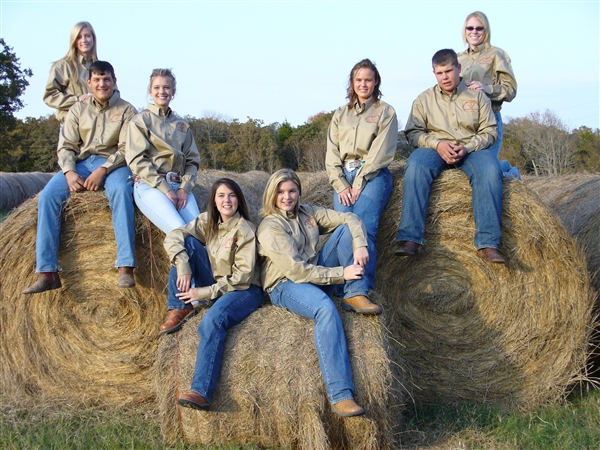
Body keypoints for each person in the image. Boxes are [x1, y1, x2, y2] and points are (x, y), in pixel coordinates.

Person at [257, 169, 381, 418]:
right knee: (325, 308)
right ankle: (341, 394)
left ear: (299, 192)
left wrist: (359, 244)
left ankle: (355, 293)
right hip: (285, 284)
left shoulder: (308, 213)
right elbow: (298, 272)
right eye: (281, 192)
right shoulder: (270, 226)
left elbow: (350, 218)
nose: (287, 196)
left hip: (314, 274)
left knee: (346, 229)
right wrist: (340, 274)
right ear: (272, 194)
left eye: (292, 191)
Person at [23, 61, 137, 294]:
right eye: (97, 79)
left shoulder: (126, 110)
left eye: (106, 79)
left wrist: (103, 169)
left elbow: (128, 148)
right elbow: (66, 146)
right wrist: (69, 171)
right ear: (89, 83)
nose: (102, 84)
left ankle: (125, 265)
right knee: (48, 197)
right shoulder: (78, 109)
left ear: (114, 81)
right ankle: (48, 272)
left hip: (115, 164)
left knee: (122, 191)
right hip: (81, 164)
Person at [395, 49, 505, 264]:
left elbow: (490, 131)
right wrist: (437, 144)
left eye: (448, 71)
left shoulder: (477, 96)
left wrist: (468, 147)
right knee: (416, 166)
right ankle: (410, 239)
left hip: (471, 149)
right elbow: (413, 133)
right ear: (434, 73)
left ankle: (488, 244)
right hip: (435, 148)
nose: (444, 77)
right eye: (439, 73)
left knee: (491, 171)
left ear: (459, 69)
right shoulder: (424, 99)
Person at [163, 178, 263, 411]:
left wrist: (205, 292)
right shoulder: (208, 221)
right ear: (214, 201)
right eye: (221, 196)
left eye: (231, 195)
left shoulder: (245, 230)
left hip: (245, 289)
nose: (226, 200)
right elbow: (173, 236)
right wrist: (183, 265)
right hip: (218, 281)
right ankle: (179, 306)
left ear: (239, 199)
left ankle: (201, 391)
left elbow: (242, 277)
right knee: (186, 244)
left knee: (212, 320)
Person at [326, 58, 398, 296]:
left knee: (364, 229)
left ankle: (361, 289)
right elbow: (332, 152)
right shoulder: (340, 114)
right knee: (344, 228)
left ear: (376, 81)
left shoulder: (385, 112)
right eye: (358, 80)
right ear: (352, 82)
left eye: (368, 79)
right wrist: (340, 184)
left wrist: (359, 182)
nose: (363, 84)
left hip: (373, 175)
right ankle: (339, 286)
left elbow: (381, 152)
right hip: (343, 177)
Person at [126, 68, 200, 234]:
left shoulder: (182, 125)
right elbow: (137, 160)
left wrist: (184, 188)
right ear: (150, 91)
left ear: (173, 92)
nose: (162, 91)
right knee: (179, 232)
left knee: (199, 235)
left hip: (179, 185)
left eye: (166, 87)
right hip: (150, 185)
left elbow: (192, 161)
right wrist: (165, 188)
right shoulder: (140, 121)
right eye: (157, 87)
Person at [457, 11, 521, 179]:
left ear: (486, 31)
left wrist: (486, 89)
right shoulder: (457, 58)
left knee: (486, 173)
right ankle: (502, 166)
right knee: (464, 173)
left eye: (479, 28)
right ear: (465, 30)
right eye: (470, 28)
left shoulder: (496, 55)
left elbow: (511, 89)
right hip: (464, 125)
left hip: (489, 121)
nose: (474, 32)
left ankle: (512, 174)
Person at [44, 22, 98, 123]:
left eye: (87, 36)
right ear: (74, 41)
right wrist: (78, 100)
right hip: (72, 126)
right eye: (79, 37)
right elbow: (50, 96)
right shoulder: (63, 66)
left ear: (93, 38)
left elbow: (114, 94)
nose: (84, 40)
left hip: (98, 126)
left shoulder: (101, 67)